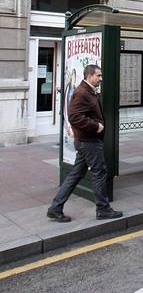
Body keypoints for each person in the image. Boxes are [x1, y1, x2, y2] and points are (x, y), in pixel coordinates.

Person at [47, 65, 123, 222]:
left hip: (85, 142)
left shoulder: (88, 91)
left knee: (76, 173)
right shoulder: (82, 92)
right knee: (99, 172)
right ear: (89, 76)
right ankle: (103, 209)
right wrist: (96, 125)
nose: (101, 78)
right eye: (99, 75)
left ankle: (55, 208)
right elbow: (74, 116)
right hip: (89, 142)